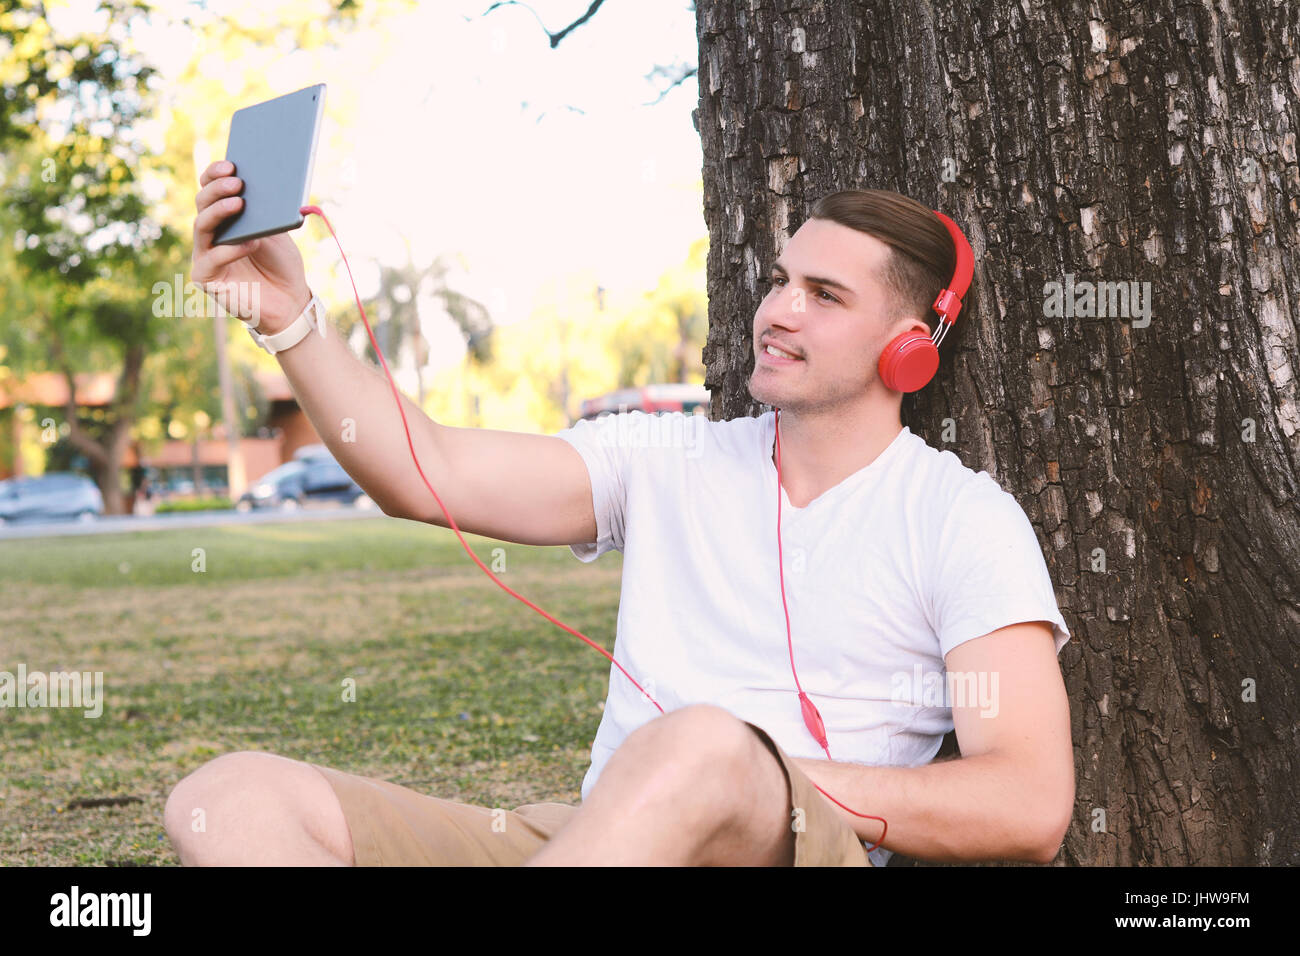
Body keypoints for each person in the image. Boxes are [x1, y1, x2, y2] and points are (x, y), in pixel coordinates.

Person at [164, 169, 1074, 866]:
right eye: (781, 280)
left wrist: (764, 776)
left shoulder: (962, 518)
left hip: (790, 848)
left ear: (911, 346)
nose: (777, 312)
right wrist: (289, 319)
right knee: (231, 796)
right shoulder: (664, 459)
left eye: (825, 296)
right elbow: (424, 469)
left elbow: (1030, 803)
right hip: (597, 838)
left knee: (703, 744)